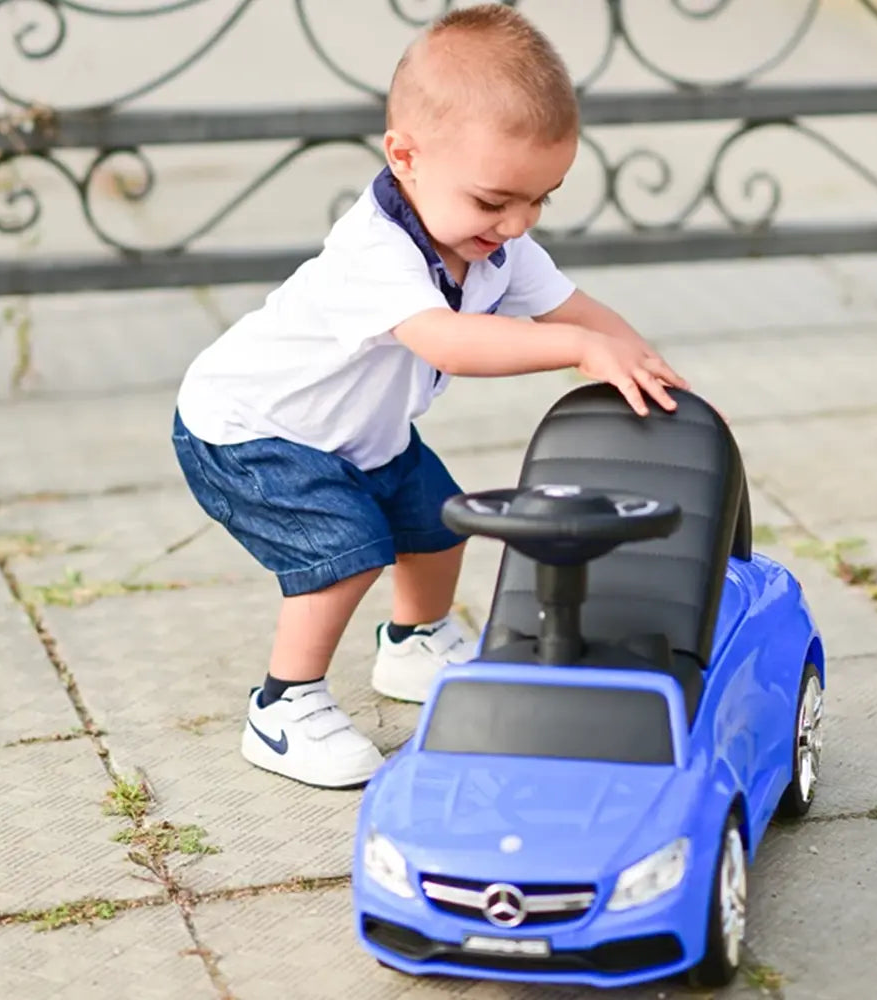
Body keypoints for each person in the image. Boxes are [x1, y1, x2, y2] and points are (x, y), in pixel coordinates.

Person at [171, 3, 690, 789]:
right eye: (494, 201)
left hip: (362, 437)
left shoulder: (495, 244)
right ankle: (283, 707)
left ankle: (413, 642)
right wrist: (579, 351)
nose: (518, 224)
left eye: (543, 197)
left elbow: (573, 308)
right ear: (405, 157)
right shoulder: (372, 253)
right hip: (253, 430)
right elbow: (452, 342)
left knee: (440, 528)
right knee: (343, 554)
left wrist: (636, 356)